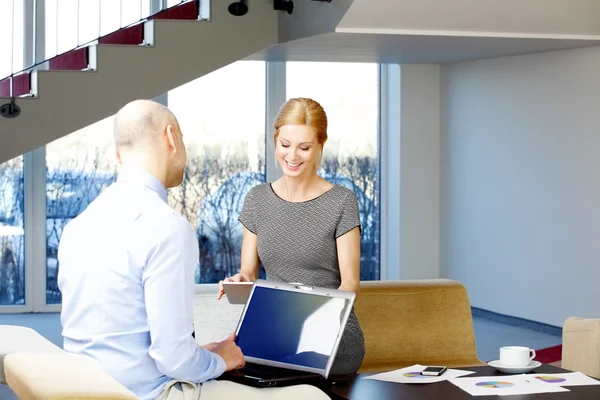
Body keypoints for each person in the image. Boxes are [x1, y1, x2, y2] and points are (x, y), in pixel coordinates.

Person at [58, 99, 330, 400]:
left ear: (119, 153)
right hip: (151, 394)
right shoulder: (166, 227)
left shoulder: (79, 226)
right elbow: (171, 358)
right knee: (309, 395)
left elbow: (120, 339)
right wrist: (219, 360)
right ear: (171, 137)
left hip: (86, 390)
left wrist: (202, 354)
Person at [218, 97, 365, 374]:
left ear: (320, 145)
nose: (292, 156)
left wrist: (311, 322)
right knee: (231, 363)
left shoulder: (342, 202)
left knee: (281, 365)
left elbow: (351, 284)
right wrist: (239, 281)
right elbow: (249, 274)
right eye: (285, 145)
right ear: (275, 141)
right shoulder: (257, 199)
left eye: (304, 147)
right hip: (276, 328)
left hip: (330, 332)